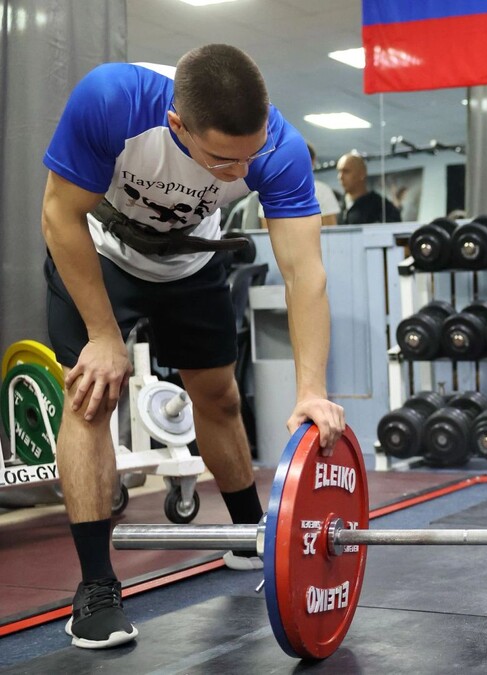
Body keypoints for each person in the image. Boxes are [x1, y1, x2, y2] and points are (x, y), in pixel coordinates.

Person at [41, 44, 345, 649]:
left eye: (249, 155)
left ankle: (247, 536)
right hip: (99, 249)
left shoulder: (278, 148)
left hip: (191, 257)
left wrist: (312, 389)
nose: (239, 172)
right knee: (90, 396)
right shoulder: (113, 101)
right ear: (178, 124)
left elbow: (304, 272)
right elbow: (58, 215)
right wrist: (103, 336)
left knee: (219, 396)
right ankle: (96, 589)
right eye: (222, 160)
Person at [259, 142, 340, 227]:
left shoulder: (269, 192)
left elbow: (266, 233)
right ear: (312, 161)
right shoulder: (322, 191)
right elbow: (330, 233)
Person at [336, 152, 401, 224]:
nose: (340, 177)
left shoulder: (381, 207)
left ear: (361, 174)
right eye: (339, 171)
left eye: (346, 171)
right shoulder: (336, 205)